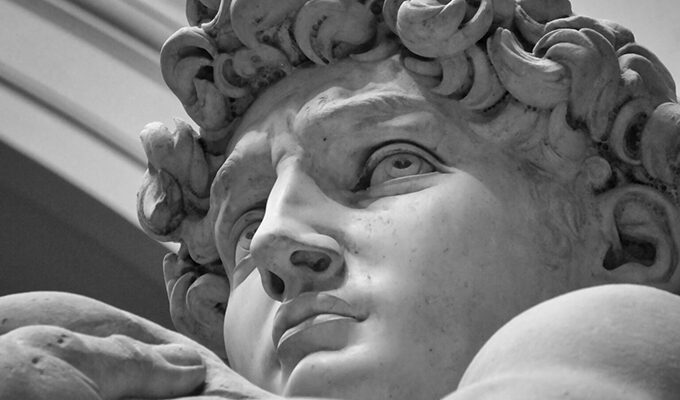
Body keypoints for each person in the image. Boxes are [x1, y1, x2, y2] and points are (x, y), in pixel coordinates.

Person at [2, 0, 680, 398]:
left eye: (393, 164)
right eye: (243, 230)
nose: (273, 241)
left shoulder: (624, 337)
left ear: (627, 244)